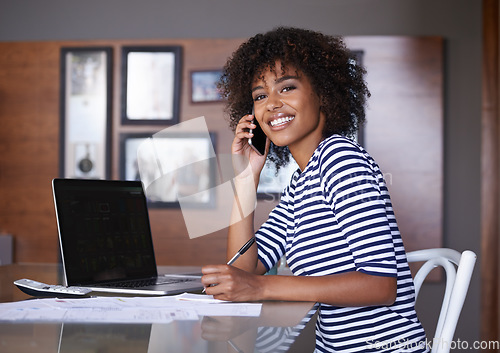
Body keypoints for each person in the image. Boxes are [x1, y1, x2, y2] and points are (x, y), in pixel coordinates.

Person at [201, 27, 428, 352]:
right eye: (260, 96)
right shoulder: (302, 184)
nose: (272, 105)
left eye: (287, 88)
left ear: (322, 92)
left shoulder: (341, 159)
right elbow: (243, 271)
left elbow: (381, 286)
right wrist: (245, 178)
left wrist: (261, 288)